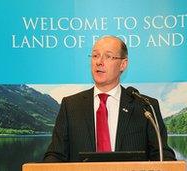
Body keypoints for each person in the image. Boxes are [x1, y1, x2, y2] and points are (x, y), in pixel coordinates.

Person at [43, 35, 176, 162]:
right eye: (95, 56)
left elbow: (161, 154)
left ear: (123, 64)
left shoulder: (145, 106)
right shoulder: (71, 106)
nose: (99, 62)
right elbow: (56, 155)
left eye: (108, 56)